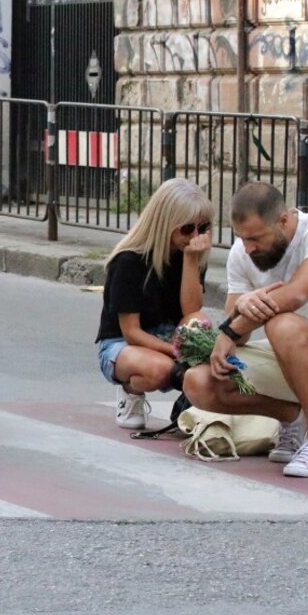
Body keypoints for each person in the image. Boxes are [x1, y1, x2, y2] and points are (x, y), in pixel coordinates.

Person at [183, 182, 308, 478]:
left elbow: (296, 294)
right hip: (292, 358)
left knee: (282, 323)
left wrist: (230, 331)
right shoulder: (242, 252)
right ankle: (294, 417)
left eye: (256, 238)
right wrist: (241, 309)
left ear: (284, 220)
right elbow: (239, 325)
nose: (248, 248)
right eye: (242, 238)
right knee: (199, 381)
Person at [96, 178, 214, 430]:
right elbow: (131, 331)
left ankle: (193, 404)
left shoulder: (190, 256)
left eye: (202, 228)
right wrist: (176, 352)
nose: (194, 236)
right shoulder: (129, 261)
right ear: (165, 224)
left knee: (199, 322)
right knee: (162, 370)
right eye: (186, 229)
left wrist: (192, 260)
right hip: (122, 344)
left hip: (168, 335)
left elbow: (191, 311)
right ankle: (130, 392)